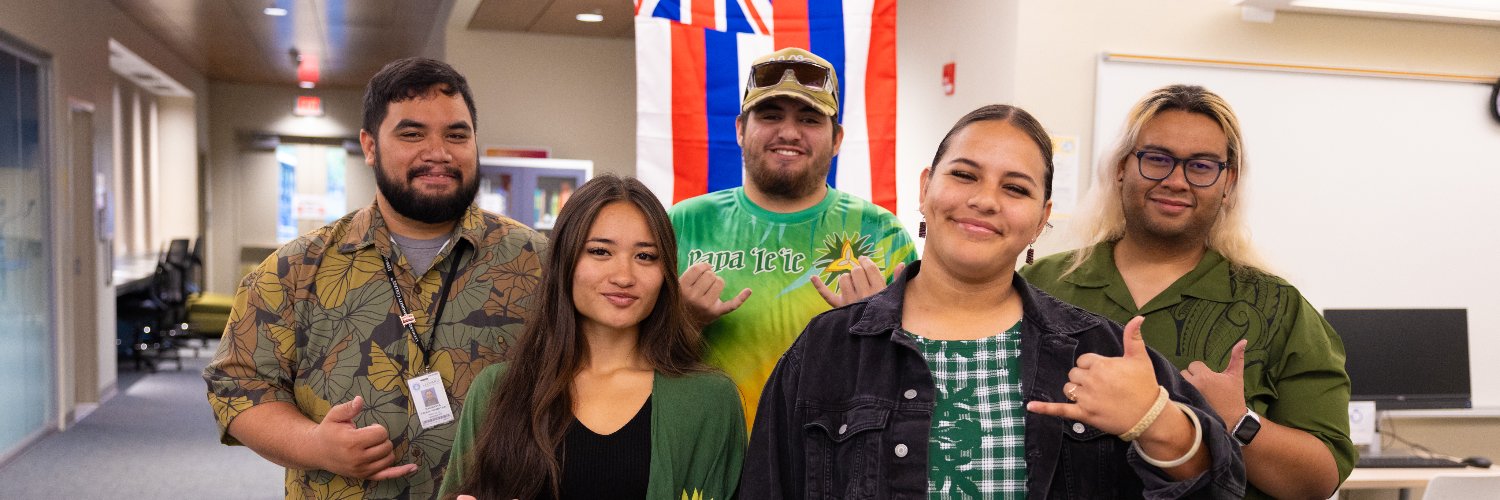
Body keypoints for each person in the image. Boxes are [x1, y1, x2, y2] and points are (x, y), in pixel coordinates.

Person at [743, 105, 1246, 498]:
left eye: (1016, 189)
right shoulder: (828, 348)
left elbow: (1222, 485)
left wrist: (1156, 420)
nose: (985, 200)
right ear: (926, 187)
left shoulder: (1096, 347)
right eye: (964, 175)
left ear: (1042, 218)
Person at [203, 57, 547, 499]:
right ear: (370, 146)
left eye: (456, 135)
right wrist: (314, 444)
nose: (438, 152)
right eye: (412, 134)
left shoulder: (538, 263)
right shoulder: (295, 269)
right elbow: (237, 386)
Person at [1021, 84, 1353, 499]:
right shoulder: (1042, 285)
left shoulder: (1277, 308)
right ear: (1122, 167)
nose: (1176, 181)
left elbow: (1319, 480)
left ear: (1228, 182)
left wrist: (1236, 419)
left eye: (1201, 166)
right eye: (1157, 159)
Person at [439, 175, 745, 500]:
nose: (624, 276)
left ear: (665, 272)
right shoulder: (497, 389)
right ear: (565, 261)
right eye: (600, 251)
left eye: (645, 256)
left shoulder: (709, 400)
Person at [670, 47, 917, 425]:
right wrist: (682, 322)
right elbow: (627, 356)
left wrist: (874, 329)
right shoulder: (683, 223)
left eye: (809, 119)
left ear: (836, 139)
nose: (788, 132)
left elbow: (914, 376)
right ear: (740, 129)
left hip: (829, 455)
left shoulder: (882, 233)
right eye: (770, 116)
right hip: (708, 454)